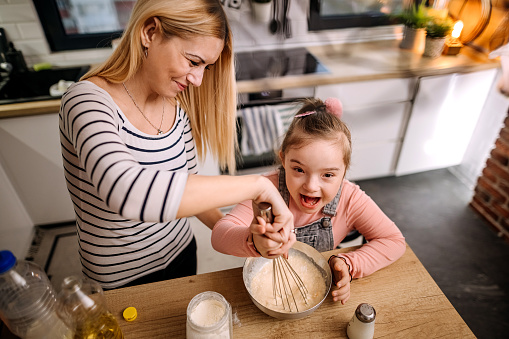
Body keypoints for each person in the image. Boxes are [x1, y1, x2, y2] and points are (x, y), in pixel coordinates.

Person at [59, 0, 294, 290]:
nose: (197, 79)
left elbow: (188, 188)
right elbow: (126, 190)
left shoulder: (175, 107)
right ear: (150, 32)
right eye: (194, 61)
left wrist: (247, 236)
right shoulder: (86, 101)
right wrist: (258, 185)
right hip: (119, 279)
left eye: (205, 67)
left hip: (181, 254)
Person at [212, 97, 406, 304]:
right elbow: (219, 235)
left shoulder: (350, 199)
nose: (311, 186)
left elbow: (394, 241)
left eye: (328, 175)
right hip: (269, 289)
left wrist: (348, 263)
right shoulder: (265, 191)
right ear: (283, 160)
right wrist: (253, 240)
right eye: (298, 170)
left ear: (344, 172)